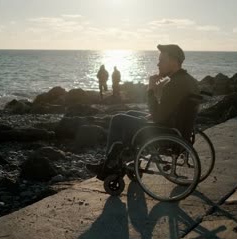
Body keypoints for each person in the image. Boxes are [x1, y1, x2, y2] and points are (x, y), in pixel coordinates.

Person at [86, 44, 201, 180]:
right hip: (178, 130)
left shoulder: (174, 84)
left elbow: (158, 117)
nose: (158, 64)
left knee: (118, 119)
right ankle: (124, 159)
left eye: (161, 60)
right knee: (132, 114)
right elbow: (172, 109)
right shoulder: (188, 80)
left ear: (173, 61)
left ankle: (110, 165)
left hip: (165, 134)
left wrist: (151, 91)